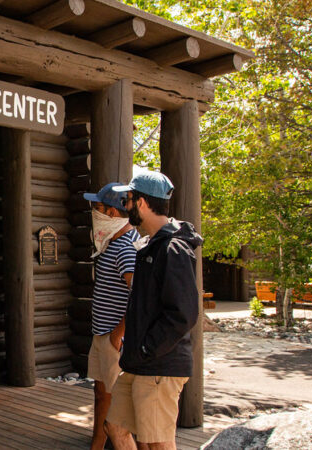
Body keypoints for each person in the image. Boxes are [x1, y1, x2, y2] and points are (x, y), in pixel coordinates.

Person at [103, 171, 202, 450]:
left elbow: (183, 314)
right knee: (115, 427)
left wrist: (147, 349)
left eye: (129, 199)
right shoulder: (149, 245)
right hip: (138, 362)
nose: (126, 205)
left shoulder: (174, 248)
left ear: (143, 203)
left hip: (159, 364)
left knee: (157, 442)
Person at [82, 182, 139, 450]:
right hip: (102, 334)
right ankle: (97, 443)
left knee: (118, 400)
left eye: (98, 208)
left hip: (114, 338)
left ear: (113, 213)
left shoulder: (127, 248)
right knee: (101, 393)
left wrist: (119, 332)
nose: (94, 212)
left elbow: (138, 295)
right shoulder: (110, 244)